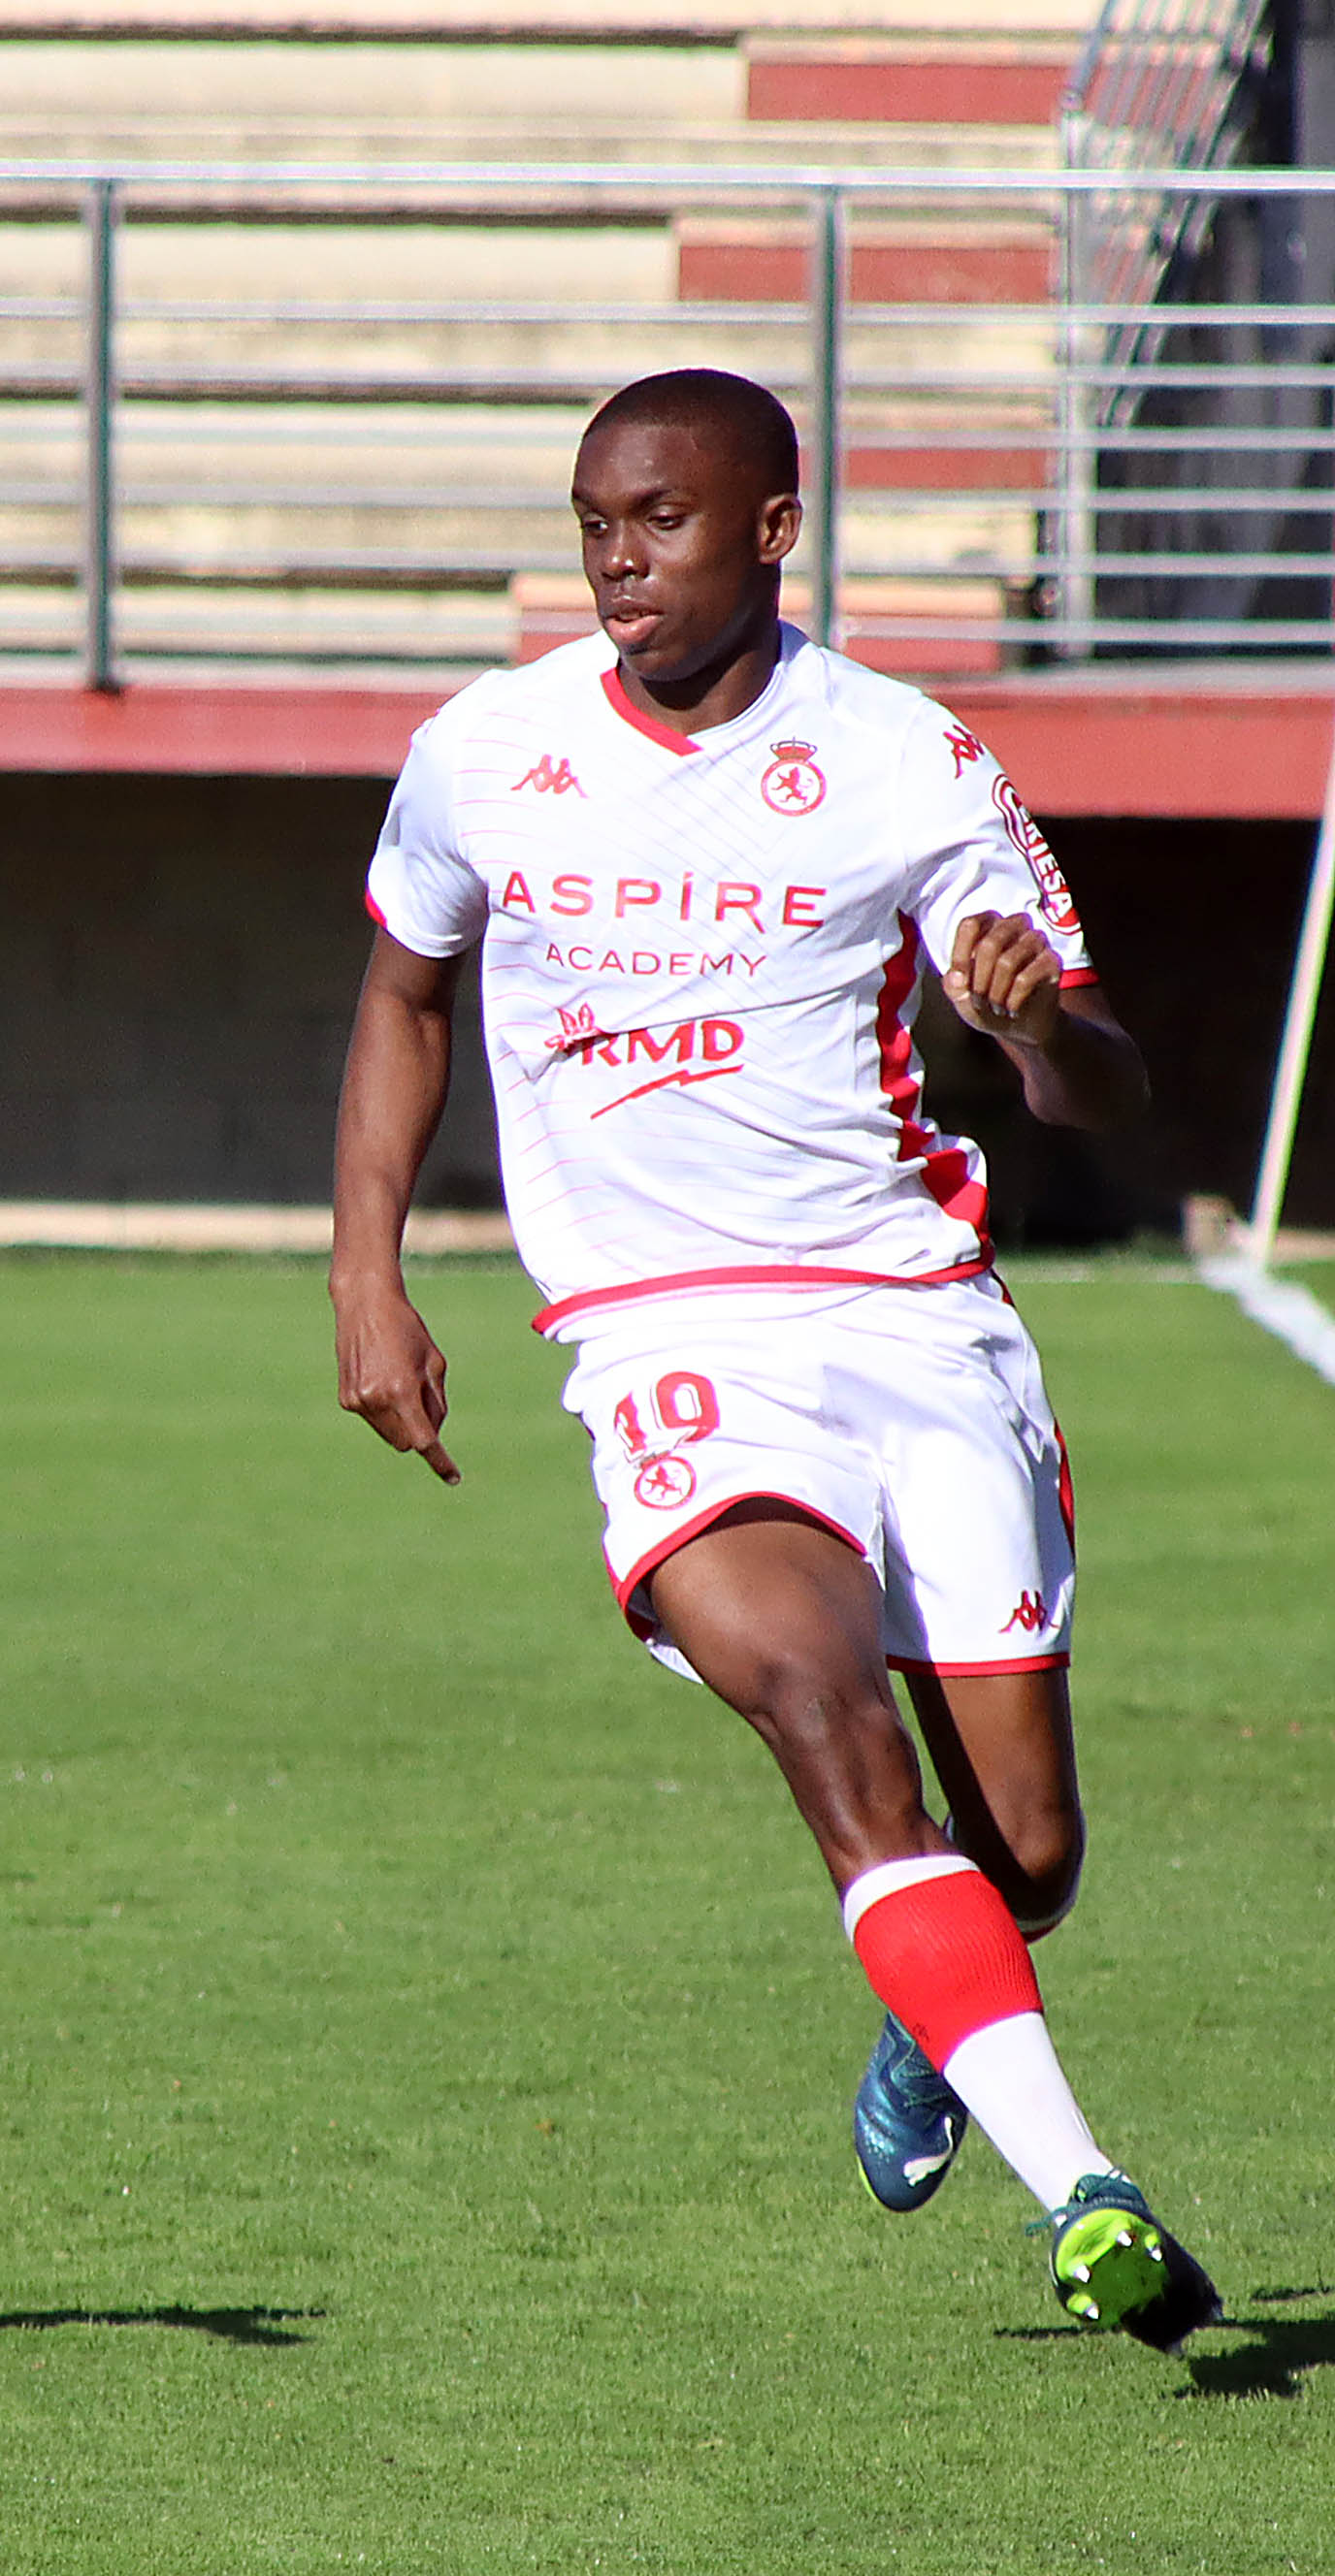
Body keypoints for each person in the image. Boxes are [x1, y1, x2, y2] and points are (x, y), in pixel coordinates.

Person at [327, 369, 1218, 2348]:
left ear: (774, 528)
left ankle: (940, 2025)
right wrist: (364, 1275)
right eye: (591, 525)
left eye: (656, 520)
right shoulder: (487, 750)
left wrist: (1034, 1036)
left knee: (1035, 1852)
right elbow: (404, 989)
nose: (616, 562)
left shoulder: (908, 758)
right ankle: (1088, 2188)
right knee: (827, 1714)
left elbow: (1102, 1078)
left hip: (912, 1322)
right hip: (667, 1332)